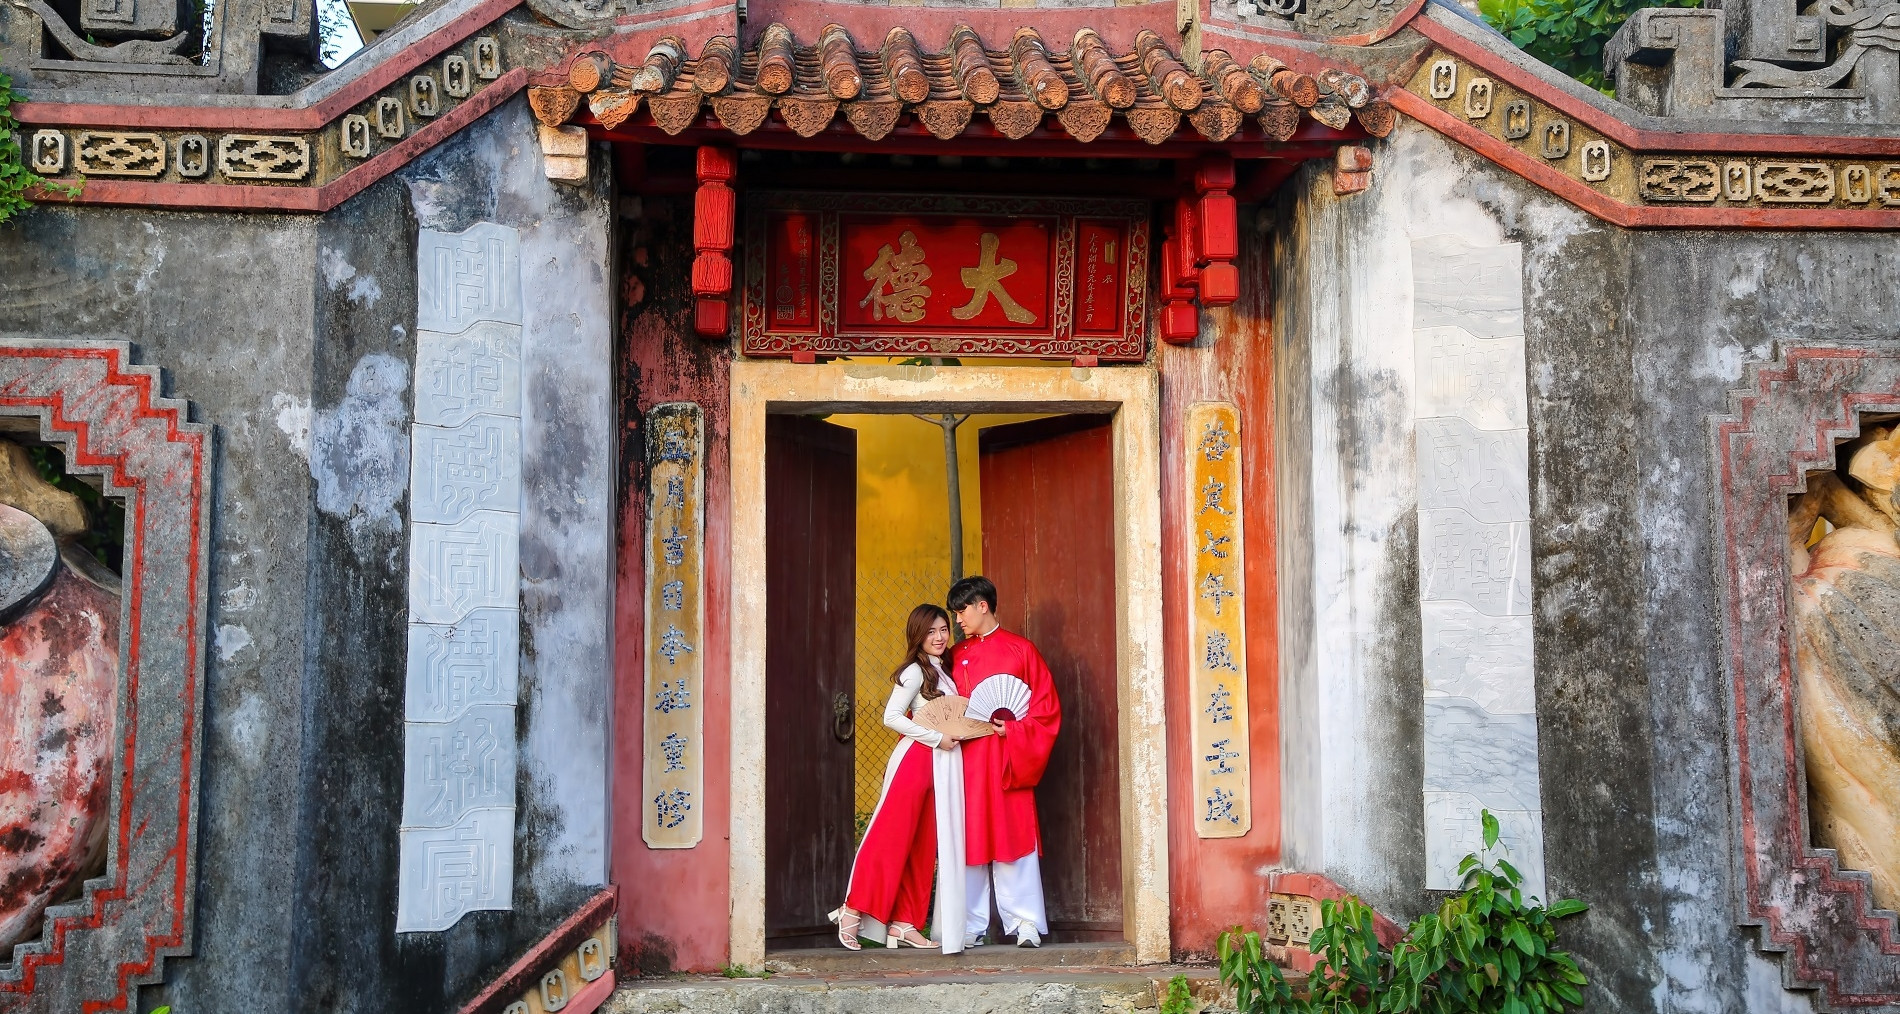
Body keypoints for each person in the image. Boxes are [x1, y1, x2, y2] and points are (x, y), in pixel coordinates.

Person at [830, 604, 969, 952]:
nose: (938, 637)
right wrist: (937, 738)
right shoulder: (914, 672)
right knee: (890, 837)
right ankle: (852, 910)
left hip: (941, 765)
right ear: (917, 636)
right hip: (915, 761)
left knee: (925, 845)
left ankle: (905, 923)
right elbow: (891, 717)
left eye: (943, 630)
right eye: (930, 632)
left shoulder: (944, 669)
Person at [946, 575, 1060, 948]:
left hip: (1008, 758)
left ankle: (1025, 922)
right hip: (965, 758)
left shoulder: (1021, 651)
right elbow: (937, 707)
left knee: (1013, 835)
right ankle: (968, 925)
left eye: (962, 610)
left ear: (983, 605)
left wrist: (1013, 730)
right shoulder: (954, 656)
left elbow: (1046, 711)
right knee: (968, 839)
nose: (957, 620)